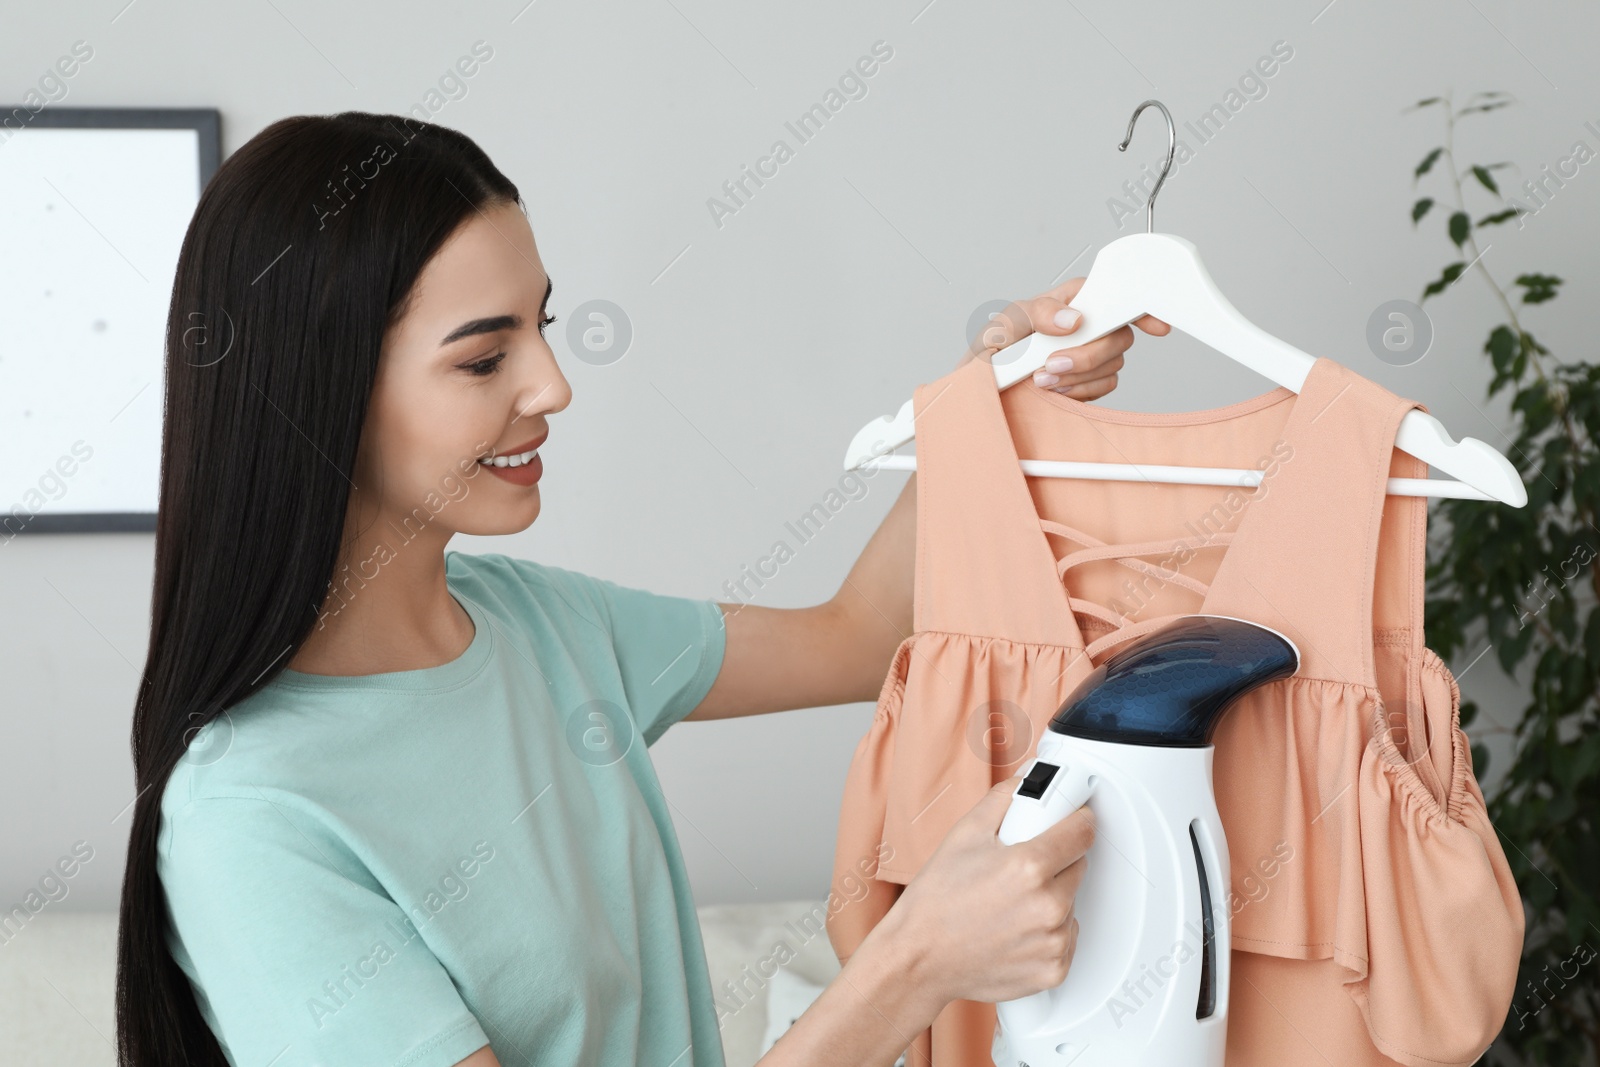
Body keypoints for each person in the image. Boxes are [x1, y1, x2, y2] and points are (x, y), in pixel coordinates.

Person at [114, 111, 1168, 1067]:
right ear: (322, 386)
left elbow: (861, 634)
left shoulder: (542, 625)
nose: (553, 386)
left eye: (545, 326)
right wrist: (915, 962)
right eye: (485, 358)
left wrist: (986, 401)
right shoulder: (248, 822)